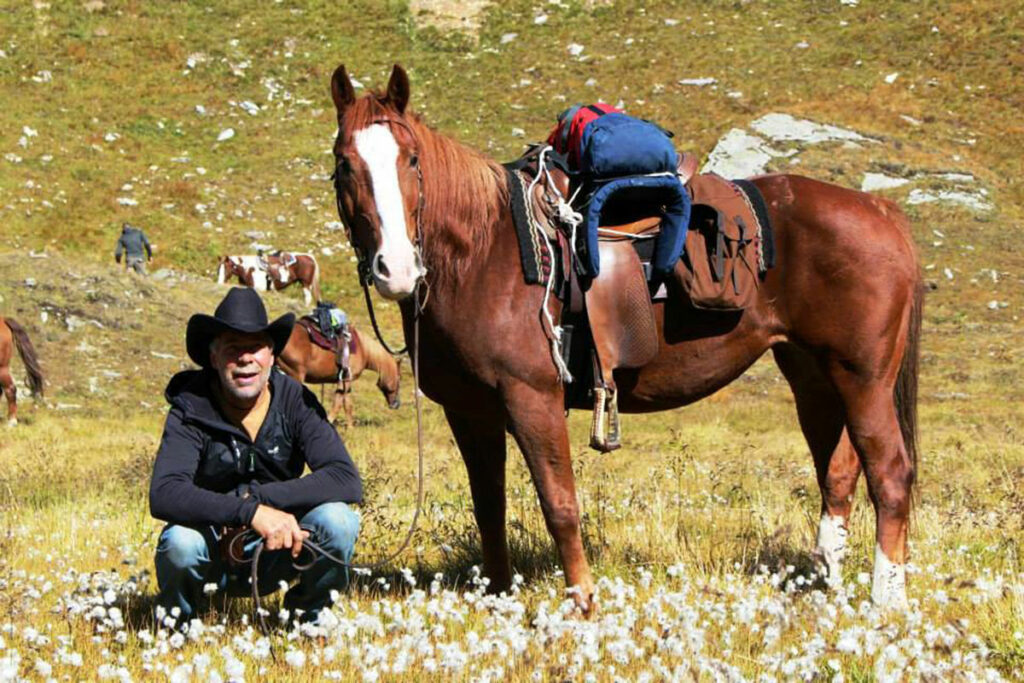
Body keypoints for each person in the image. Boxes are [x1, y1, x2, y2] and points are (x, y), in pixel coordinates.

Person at [149, 287, 362, 625]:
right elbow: (164, 493)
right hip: (214, 549)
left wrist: (267, 501)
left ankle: (309, 618)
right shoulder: (190, 406)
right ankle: (179, 627)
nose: (246, 358)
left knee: (339, 521)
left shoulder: (296, 401)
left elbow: (346, 479)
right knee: (180, 543)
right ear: (214, 358)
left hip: (283, 547)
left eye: (255, 348)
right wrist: (249, 511)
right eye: (233, 349)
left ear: (273, 355)